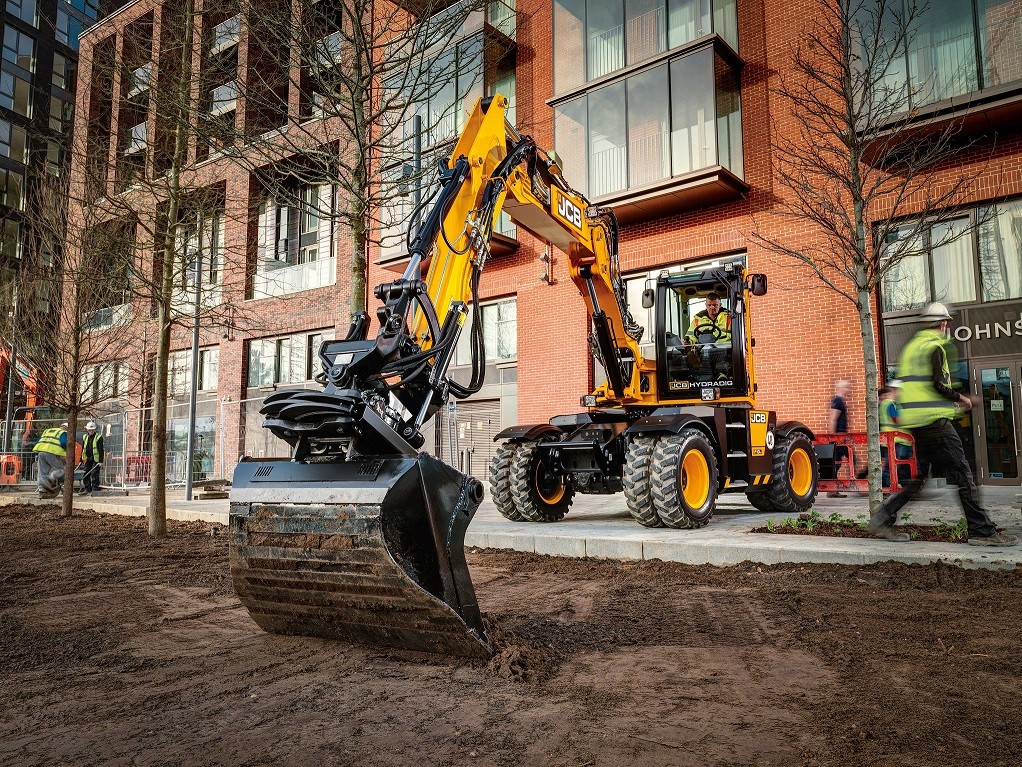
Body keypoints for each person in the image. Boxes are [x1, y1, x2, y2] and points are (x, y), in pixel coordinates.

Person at [867, 303, 1017, 545]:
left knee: (918, 479)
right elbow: (938, 385)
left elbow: (913, 387)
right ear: (943, 324)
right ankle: (981, 531)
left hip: (917, 423)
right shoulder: (935, 346)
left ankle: (883, 518)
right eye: (946, 322)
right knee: (963, 474)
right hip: (935, 423)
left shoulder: (911, 347)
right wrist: (963, 400)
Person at [684, 292, 732, 378]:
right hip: (703, 351)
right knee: (688, 356)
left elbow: (736, 336)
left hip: (724, 350)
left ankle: (722, 375)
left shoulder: (729, 318)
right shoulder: (697, 320)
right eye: (709, 305)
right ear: (706, 305)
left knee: (718, 352)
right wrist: (687, 341)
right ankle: (693, 377)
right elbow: (691, 336)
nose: (712, 307)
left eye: (715, 305)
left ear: (720, 305)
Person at [879, 381, 913, 489]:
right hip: (896, 440)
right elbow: (897, 420)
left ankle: (889, 485)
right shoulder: (891, 404)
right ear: (894, 391)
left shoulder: (884, 404)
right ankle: (888, 486)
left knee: (893, 465)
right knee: (893, 466)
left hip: (891, 440)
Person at [827, 380, 853, 498]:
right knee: (852, 459)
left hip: (841, 436)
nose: (849, 389)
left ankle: (832, 489)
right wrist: (833, 437)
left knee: (837, 463)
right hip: (839, 437)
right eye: (847, 387)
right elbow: (833, 418)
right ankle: (858, 484)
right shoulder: (837, 401)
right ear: (842, 388)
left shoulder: (839, 401)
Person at [32, 422, 68, 499]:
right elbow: (64, 443)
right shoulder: (64, 433)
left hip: (41, 453)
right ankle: (49, 479)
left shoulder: (48, 431)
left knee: (42, 473)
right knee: (60, 470)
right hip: (51, 453)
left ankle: (42, 492)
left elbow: (38, 441)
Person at [80, 421, 104, 495]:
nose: (91, 431)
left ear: (95, 430)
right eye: (90, 430)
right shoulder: (85, 437)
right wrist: (81, 458)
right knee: (85, 473)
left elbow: (101, 450)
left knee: (94, 474)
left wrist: (100, 461)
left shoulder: (98, 437)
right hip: (88, 458)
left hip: (96, 459)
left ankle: (95, 489)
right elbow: (83, 448)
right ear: (87, 430)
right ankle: (87, 489)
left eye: (92, 430)